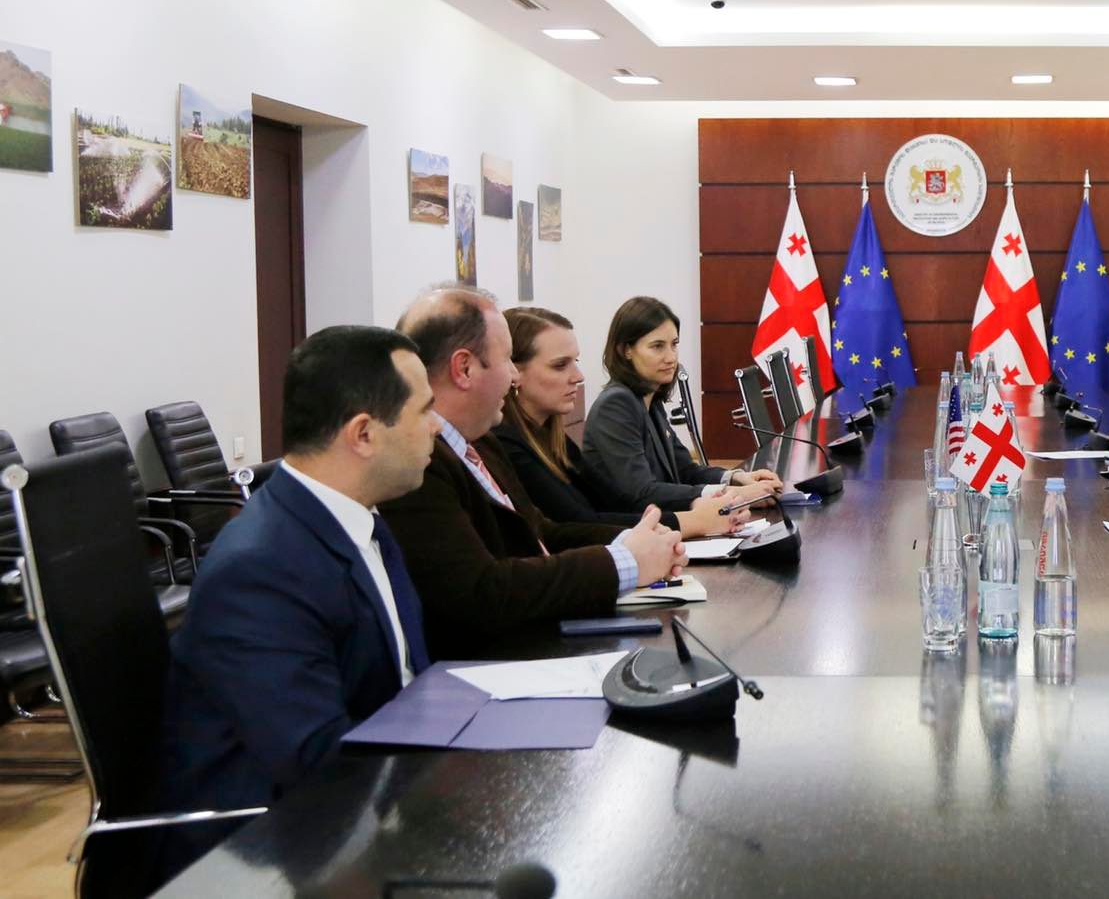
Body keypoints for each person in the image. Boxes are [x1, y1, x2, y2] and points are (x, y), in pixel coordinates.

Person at [156, 326, 441, 878]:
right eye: (424, 410)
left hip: (366, 810)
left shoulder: (360, 519)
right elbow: (316, 760)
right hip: (270, 853)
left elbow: (410, 681)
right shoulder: (260, 570)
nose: (436, 426)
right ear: (364, 434)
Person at [380, 285, 723, 657]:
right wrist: (625, 561)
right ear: (464, 368)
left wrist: (643, 542)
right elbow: (480, 593)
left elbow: (543, 532)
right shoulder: (419, 463)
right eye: (507, 360)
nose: (513, 377)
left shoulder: (482, 442)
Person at [583, 295, 781, 512]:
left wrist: (736, 478)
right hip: (633, 529)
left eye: (674, 344)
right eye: (657, 346)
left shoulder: (651, 403)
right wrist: (732, 495)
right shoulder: (615, 405)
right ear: (626, 350)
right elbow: (641, 493)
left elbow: (685, 470)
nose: (671, 357)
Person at [494, 306, 683, 530]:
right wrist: (688, 520)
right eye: (560, 365)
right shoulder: (507, 444)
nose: (578, 376)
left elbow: (613, 500)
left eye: (576, 362)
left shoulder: (552, 439)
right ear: (514, 372)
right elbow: (578, 522)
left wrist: (698, 508)